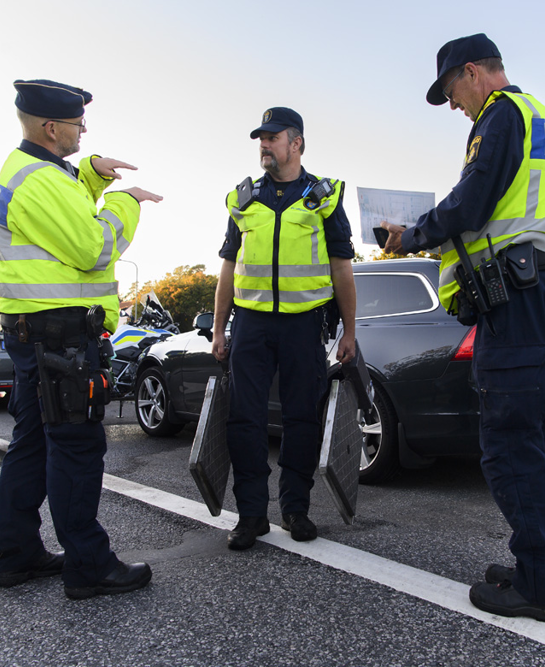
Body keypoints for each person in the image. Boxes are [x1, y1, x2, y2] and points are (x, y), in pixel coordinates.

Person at [380, 34, 545, 623]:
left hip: (515, 299)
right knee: (532, 443)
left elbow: (467, 208)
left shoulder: (500, 116)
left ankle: (543, 589)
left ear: (473, 73)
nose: (456, 108)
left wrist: (409, 236)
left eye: (452, 93)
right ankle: (541, 567)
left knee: (508, 445)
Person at [0, 79, 163, 600]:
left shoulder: (34, 173)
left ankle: (16, 554)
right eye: (77, 121)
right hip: (58, 337)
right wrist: (126, 203)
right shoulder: (39, 180)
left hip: (36, 336)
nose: (84, 127)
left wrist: (90, 173)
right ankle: (88, 565)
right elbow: (90, 245)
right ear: (50, 127)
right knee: (77, 447)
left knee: (34, 443)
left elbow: (61, 214)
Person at [212, 107, 357, 551]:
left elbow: (341, 269)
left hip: (303, 323)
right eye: (261, 138)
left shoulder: (323, 197)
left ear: (297, 144)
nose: (264, 144)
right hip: (251, 324)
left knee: (301, 420)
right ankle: (251, 514)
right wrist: (218, 329)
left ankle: (296, 509)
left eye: (273, 137)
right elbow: (228, 269)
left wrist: (349, 331)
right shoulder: (243, 200)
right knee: (245, 420)